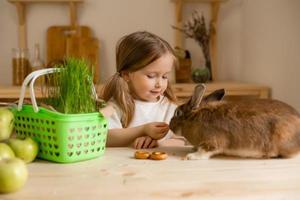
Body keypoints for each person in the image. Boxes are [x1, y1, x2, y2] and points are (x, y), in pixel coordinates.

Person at [101, 31, 184, 149]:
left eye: (165, 76)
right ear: (126, 74)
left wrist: (160, 143)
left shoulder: (169, 107)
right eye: (151, 76)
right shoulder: (116, 106)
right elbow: (104, 137)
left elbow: (183, 141)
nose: (159, 84)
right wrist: (143, 130)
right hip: (124, 166)